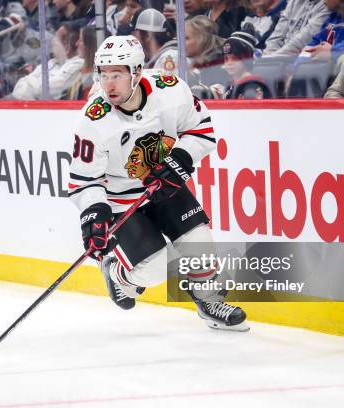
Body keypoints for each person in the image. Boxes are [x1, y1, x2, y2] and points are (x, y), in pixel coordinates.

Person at [68, 34, 249, 331]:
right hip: (120, 198)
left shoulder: (171, 90)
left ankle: (209, 300)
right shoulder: (92, 120)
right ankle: (117, 275)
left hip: (162, 184)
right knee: (156, 270)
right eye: (103, 74)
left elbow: (202, 131)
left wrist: (179, 158)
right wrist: (94, 213)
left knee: (200, 243)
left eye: (117, 74)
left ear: (137, 72)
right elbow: (84, 181)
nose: (108, 83)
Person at [12, 22, 84, 99]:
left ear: (67, 44)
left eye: (57, 38)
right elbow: (18, 88)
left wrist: (28, 81)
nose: (53, 43)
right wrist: (32, 85)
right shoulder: (51, 62)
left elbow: (45, 91)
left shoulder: (78, 64)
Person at [213, 28, 272, 98]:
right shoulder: (230, 85)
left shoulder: (253, 85)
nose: (229, 63)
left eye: (235, 58)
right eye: (226, 59)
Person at [263, 0, 331, 57]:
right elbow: (277, 35)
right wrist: (267, 56)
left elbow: (302, 42)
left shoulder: (328, 4)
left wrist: (270, 60)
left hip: (300, 61)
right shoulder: (294, 1)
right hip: (276, 58)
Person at [135, 8, 178, 73]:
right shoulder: (155, 59)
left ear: (146, 35)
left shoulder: (170, 56)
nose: (133, 37)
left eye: (135, 32)